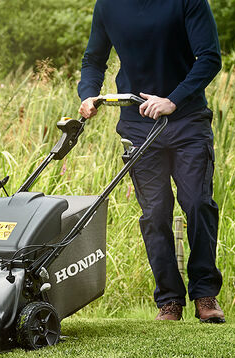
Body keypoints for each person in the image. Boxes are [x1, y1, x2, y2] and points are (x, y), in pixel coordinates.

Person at [78, 0, 225, 322]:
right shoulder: (108, 6)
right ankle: (170, 301)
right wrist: (88, 93)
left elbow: (210, 58)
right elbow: (93, 59)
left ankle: (205, 295)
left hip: (187, 120)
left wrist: (173, 99)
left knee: (198, 203)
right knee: (155, 212)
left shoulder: (188, 2)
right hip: (138, 124)